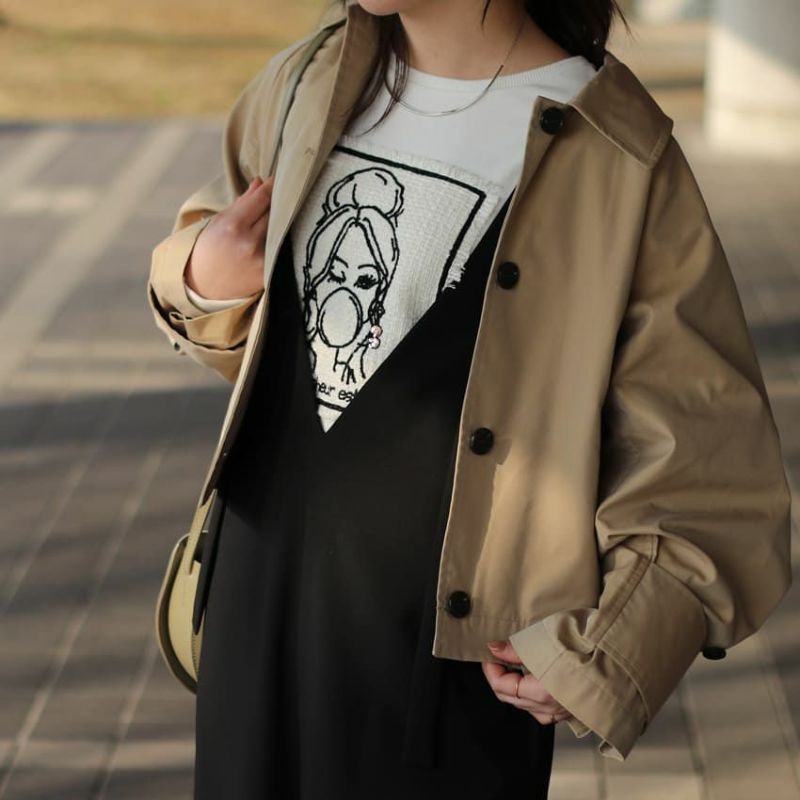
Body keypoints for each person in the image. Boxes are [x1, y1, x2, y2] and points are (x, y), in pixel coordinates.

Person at [146, 0, 793, 797]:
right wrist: (199, 277)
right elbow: (243, 309)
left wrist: (599, 653)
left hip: (440, 682)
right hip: (252, 617)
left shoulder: (615, 152)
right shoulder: (308, 80)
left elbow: (713, 475)